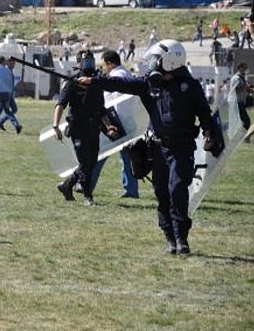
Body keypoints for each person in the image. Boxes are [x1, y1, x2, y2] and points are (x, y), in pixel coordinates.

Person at [78, 40, 215, 255]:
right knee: (162, 193)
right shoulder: (150, 84)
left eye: (156, 60)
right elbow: (121, 84)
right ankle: (169, 236)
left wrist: (208, 133)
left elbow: (205, 113)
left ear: (170, 61)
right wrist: (93, 81)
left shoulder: (191, 87)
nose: (152, 64)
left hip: (182, 148)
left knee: (177, 189)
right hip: (158, 149)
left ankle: (181, 238)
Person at [53, 50, 118, 206]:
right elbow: (60, 104)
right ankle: (88, 197)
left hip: (93, 127)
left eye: (91, 60)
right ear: (78, 63)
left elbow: (101, 109)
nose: (88, 63)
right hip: (77, 127)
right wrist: (56, 126)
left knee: (92, 161)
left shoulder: (96, 82)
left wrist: (109, 125)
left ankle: (67, 185)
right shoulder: (72, 82)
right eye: (85, 60)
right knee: (84, 161)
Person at [87, 50, 139, 199]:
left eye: (103, 64)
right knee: (127, 159)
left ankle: (86, 186)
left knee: (100, 154)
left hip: (116, 123)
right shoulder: (127, 75)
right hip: (129, 123)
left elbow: (113, 102)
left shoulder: (116, 77)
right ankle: (131, 190)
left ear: (109, 64)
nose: (103, 68)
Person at [0, 57, 23, 134]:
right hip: (6, 94)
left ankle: (0, 122)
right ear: (8, 62)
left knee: (14, 109)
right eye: (13, 62)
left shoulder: (10, 70)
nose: (14, 64)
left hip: (9, 94)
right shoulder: (6, 70)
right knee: (6, 111)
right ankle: (16, 125)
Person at [231, 62, 252, 142]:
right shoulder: (237, 78)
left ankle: (241, 137)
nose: (246, 70)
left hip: (241, 102)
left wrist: (248, 88)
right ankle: (244, 137)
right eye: (244, 68)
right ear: (240, 68)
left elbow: (246, 88)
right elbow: (235, 89)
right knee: (246, 120)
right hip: (237, 103)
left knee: (242, 121)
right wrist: (245, 88)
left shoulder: (242, 77)